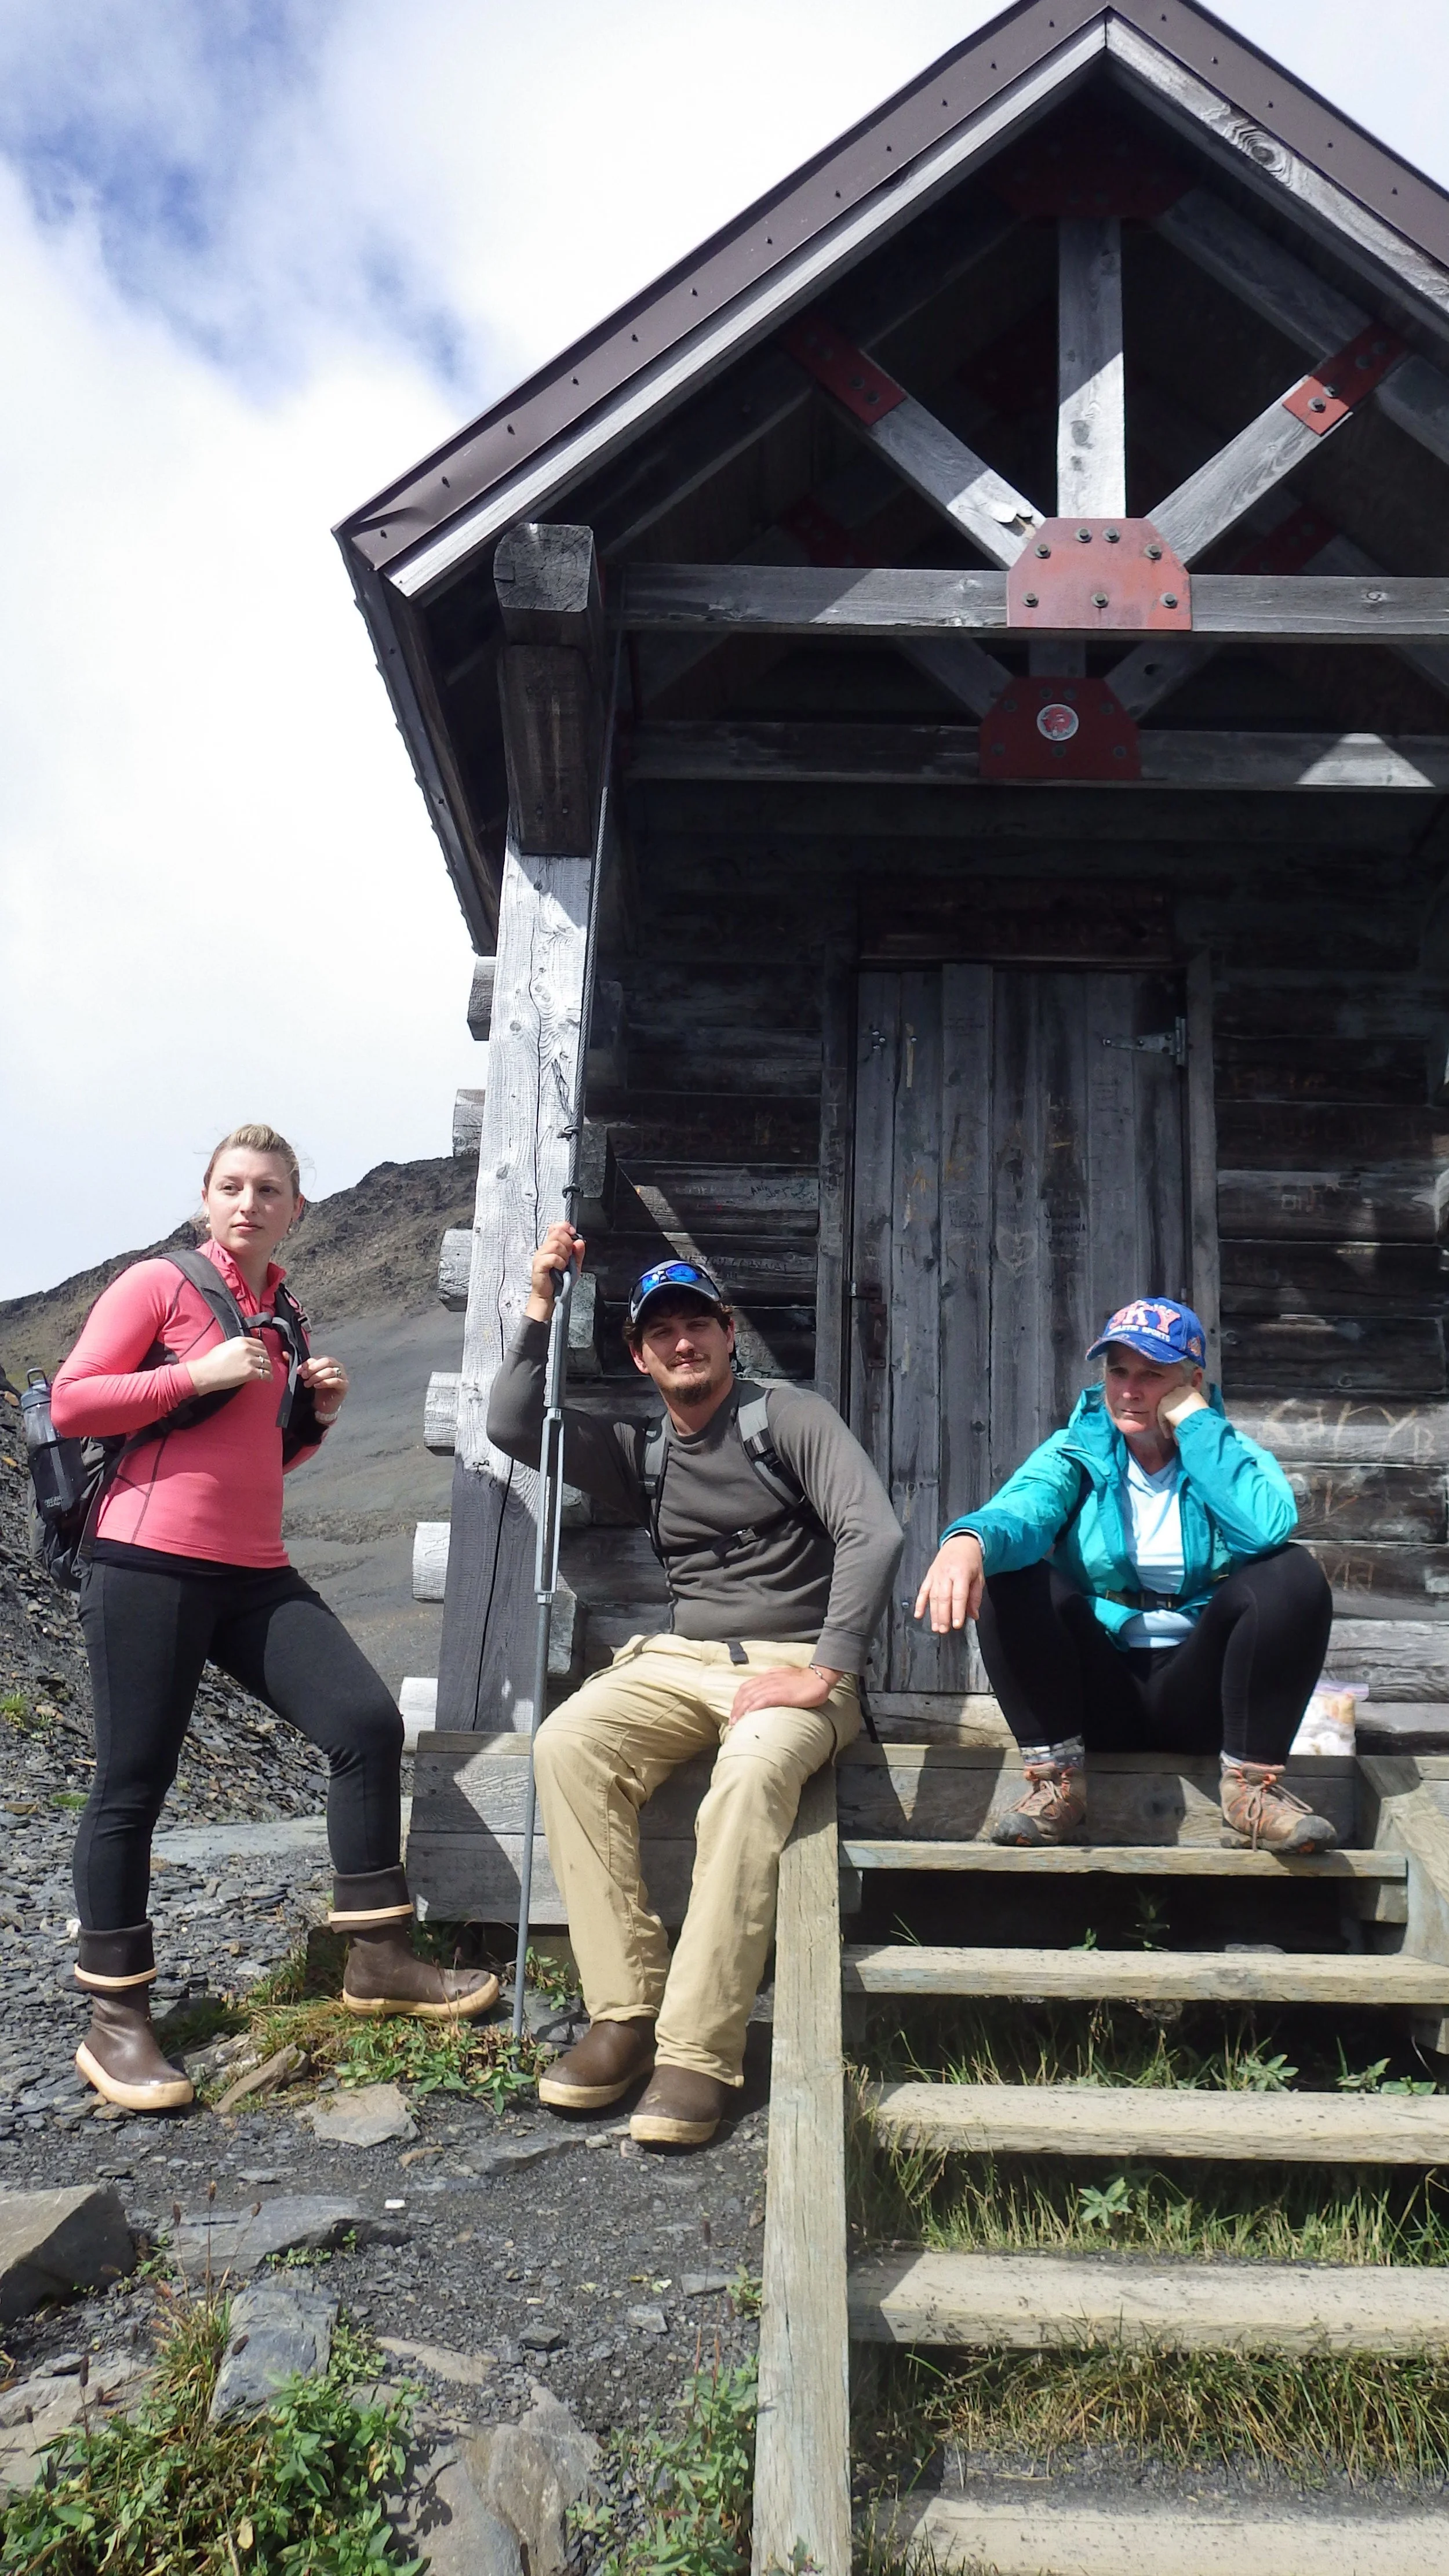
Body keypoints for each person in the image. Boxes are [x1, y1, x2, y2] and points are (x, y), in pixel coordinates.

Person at [50, 1123, 497, 2113]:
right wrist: (193, 1375)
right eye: (232, 1185)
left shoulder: (284, 1310)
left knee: (365, 1724)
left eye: (270, 1188)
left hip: (251, 1571)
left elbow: (260, 1461)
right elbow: (74, 1402)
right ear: (205, 1197)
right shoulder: (157, 1285)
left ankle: (377, 1955)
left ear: (298, 1205)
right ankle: (116, 2017)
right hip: (145, 1564)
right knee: (134, 1780)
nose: (249, 1201)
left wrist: (316, 1418)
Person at [487, 1229, 903, 2148]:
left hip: (799, 1665)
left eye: (699, 1325)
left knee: (750, 1778)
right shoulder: (644, 1451)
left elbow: (873, 1532)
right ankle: (623, 2018)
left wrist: (825, 1669)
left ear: (728, 1335)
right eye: (663, 1332)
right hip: (680, 1662)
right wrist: (541, 1300)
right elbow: (513, 1425)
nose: (684, 1343)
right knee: (567, 1745)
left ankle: (696, 2055)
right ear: (640, 1355)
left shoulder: (788, 1416)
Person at [914, 1298, 1337, 1853]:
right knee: (1013, 1576)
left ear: (1192, 1382)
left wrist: (1196, 1426)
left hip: (1200, 1695)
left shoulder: (1228, 1451)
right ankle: (1055, 1786)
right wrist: (968, 1540)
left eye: (1152, 1375)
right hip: (1100, 1694)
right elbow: (1024, 1511)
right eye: (1118, 1371)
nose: (1130, 1390)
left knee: (1292, 1574)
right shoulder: (1077, 1451)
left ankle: (1252, 1792)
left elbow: (1264, 1531)